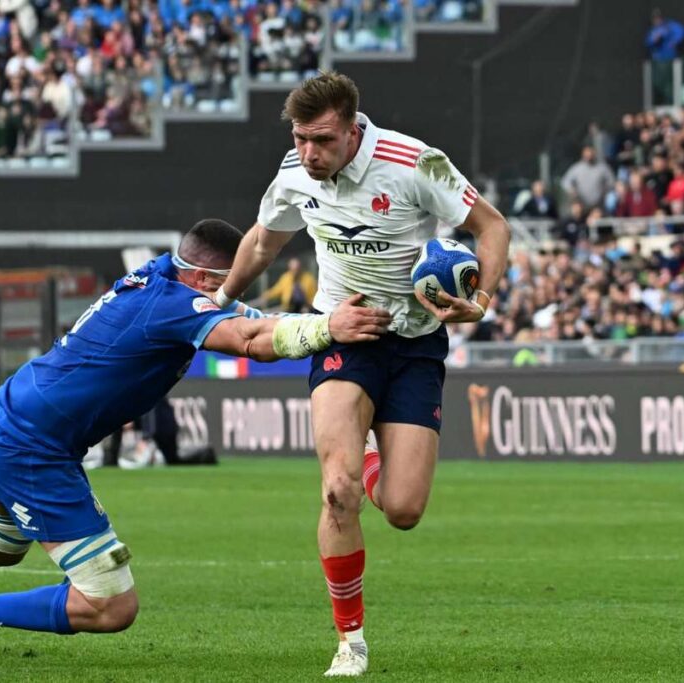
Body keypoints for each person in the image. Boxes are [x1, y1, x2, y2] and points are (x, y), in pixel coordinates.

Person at [0, 218, 390, 671]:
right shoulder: (173, 304)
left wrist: (324, 323)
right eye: (235, 278)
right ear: (203, 279)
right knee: (110, 603)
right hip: (32, 445)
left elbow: (249, 316)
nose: (239, 288)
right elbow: (247, 338)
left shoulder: (160, 274)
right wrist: (326, 328)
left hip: (7, 414)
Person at [213, 72, 511, 677]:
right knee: (337, 488)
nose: (308, 153)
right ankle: (350, 641)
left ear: (354, 130)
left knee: (402, 509)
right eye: (300, 138)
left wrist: (480, 301)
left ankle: (372, 455)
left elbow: (493, 228)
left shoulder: (415, 162)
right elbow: (263, 243)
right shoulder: (295, 174)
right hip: (343, 335)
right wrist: (219, 298)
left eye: (321, 140)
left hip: (416, 345)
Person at [645, 9, 684, 105]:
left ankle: (673, 100)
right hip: (657, 60)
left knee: (670, 81)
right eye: (654, 19)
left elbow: (681, 32)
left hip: (669, 59)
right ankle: (668, 99)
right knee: (659, 81)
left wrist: (674, 42)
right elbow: (648, 42)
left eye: (658, 18)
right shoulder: (653, 30)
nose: (656, 21)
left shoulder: (670, 26)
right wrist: (655, 40)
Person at [560, 145, 614, 215]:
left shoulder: (602, 168)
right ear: (583, 154)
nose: (589, 156)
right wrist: (572, 190)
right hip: (581, 206)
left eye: (590, 153)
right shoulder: (577, 168)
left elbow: (611, 181)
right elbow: (565, 182)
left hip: (598, 206)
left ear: (594, 153)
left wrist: (605, 191)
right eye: (587, 154)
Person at [251, 256, 318, 312]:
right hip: (289, 308)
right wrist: (266, 295)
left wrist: (310, 305)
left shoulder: (309, 279)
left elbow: (314, 295)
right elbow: (277, 289)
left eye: (296, 269)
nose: (295, 272)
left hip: (305, 308)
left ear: (300, 268)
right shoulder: (286, 278)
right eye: (293, 269)